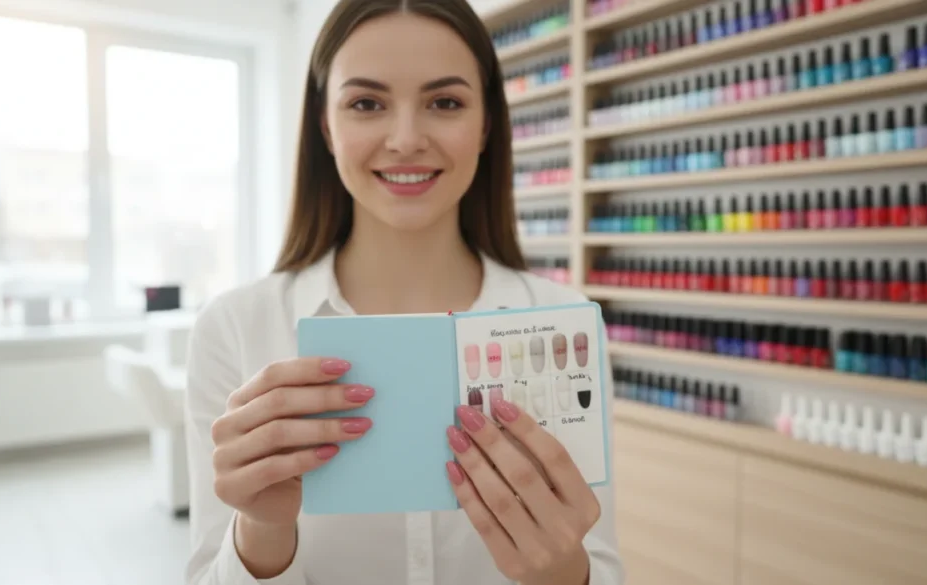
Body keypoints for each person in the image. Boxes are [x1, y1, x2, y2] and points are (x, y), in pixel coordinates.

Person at [183, 0, 623, 583]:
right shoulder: (234, 328)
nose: (406, 138)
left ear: (487, 123)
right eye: (367, 103)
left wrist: (564, 572)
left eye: (445, 102)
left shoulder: (565, 325)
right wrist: (262, 533)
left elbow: (604, 567)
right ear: (325, 124)